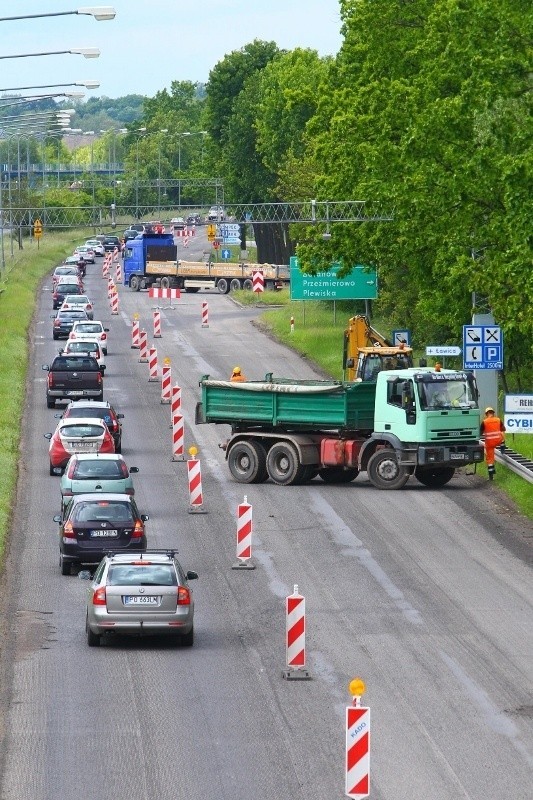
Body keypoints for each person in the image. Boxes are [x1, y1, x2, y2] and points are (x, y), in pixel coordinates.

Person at [480, 407, 505, 480]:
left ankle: (491, 477)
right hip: (498, 441)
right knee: (502, 434)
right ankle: (502, 447)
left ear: (486, 414)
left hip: (490, 443)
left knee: (490, 460)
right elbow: (503, 429)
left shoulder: (484, 422)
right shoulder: (498, 419)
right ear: (493, 413)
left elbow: (480, 433)